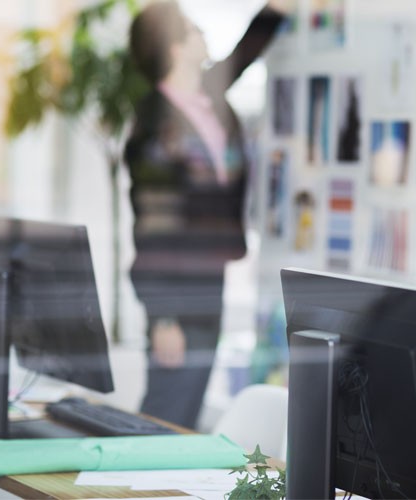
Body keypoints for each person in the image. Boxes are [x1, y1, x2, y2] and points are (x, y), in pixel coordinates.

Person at [124, 0, 291, 429]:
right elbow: (151, 226)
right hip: (175, 287)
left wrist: (276, 9)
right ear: (177, 48)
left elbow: (244, 52)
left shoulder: (206, 98)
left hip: (208, 271)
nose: (206, 38)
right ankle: (136, 494)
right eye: (195, 31)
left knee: (188, 397)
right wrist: (162, 317)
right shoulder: (155, 122)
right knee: (170, 401)